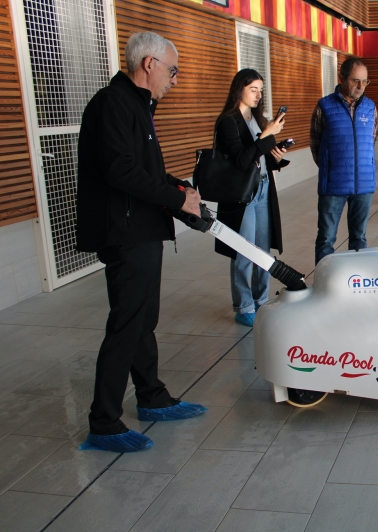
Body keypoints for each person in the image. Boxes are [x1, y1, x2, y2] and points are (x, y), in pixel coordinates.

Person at [76, 32, 207, 453]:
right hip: (126, 233)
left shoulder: (137, 106)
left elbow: (143, 171)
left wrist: (177, 187)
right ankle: (104, 421)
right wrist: (177, 199)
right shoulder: (113, 104)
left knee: (142, 319)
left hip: (144, 229)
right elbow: (120, 172)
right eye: (173, 70)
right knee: (127, 324)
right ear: (149, 64)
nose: (175, 79)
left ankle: (151, 397)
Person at [214, 69, 288, 327]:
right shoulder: (228, 121)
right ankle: (244, 305)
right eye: (253, 89)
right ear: (240, 89)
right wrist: (267, 135)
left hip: (264, 188)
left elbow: (261, 156)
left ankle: (261, 300)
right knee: (244, 250)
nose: (258, 94)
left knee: (262, 249)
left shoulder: (258, 119)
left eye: (260, 89)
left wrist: (276, 157)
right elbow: (242, 160)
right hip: (242, 194)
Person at [310, 57, 378, 265]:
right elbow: (316, 144)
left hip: (364, 185)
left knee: (359, 239)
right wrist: (332, 167)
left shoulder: (370, 107)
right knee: (326, 239)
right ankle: (325, 286)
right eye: (356, 80)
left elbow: (371, 141)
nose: (361, 86)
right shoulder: (324, 106)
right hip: (333, 185)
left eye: (365, 81)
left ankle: (354, 285)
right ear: (341, 78)